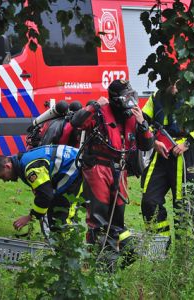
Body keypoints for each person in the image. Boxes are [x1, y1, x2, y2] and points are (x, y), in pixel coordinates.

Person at [70, 79, 154, 250]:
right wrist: (94, 106)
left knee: (117, 219)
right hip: (98, 169)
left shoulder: (134, 117)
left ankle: (116, 256)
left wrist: (142, 125)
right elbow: (76, 122)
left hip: (120, 171)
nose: (131, 102)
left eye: (132, 97)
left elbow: (147, 145)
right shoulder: (100, 112)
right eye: (126, 98)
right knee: (98, 217)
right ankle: (97, 258)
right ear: (116, 100)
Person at [140, 84, 194, 239]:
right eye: (170, 82)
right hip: (160, 153)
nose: (173, 85)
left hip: (185, 156)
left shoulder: (193, 96)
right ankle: (160, 246)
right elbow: (143, 122)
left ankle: (184, 256)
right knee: (149, 201)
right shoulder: (155, 97)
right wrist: (153, 141)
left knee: (184, 206)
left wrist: (186, 144)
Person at [0, 145, 82, 233]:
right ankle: (60, 243)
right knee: (55, 214)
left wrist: (30, 217)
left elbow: (45, 196)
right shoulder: (22, 161)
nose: (5, 180)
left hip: (73, 169)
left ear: (8, 166)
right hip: (72, 163)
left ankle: (67, 247)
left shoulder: (30, 168)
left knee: (61, 215)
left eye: (2, 177)